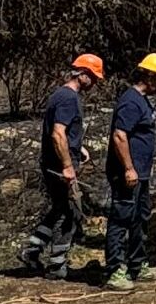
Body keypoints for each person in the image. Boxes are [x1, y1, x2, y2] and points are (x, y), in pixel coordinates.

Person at [18, 53, 103, 278]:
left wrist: (77, 147)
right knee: (70, 213)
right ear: (83, 75)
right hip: (59, 167)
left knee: (59, 209)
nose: (94, 83)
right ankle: (57, 265)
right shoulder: (68, 98)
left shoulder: (60, 95)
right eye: (93, 78)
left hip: (54, 162)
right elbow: (58, 134)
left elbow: (62, 133)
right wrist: (67, 165)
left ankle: (32, 250)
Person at [104, 53, 156, 291]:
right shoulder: (130, 102)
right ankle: (114, 270)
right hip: (127, 174)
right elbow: (120, 136)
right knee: (121, 218)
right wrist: (129, 168)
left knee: (139, 218)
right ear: (149, 77)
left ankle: (137, 264)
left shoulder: (142, 101)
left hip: (141, 173)